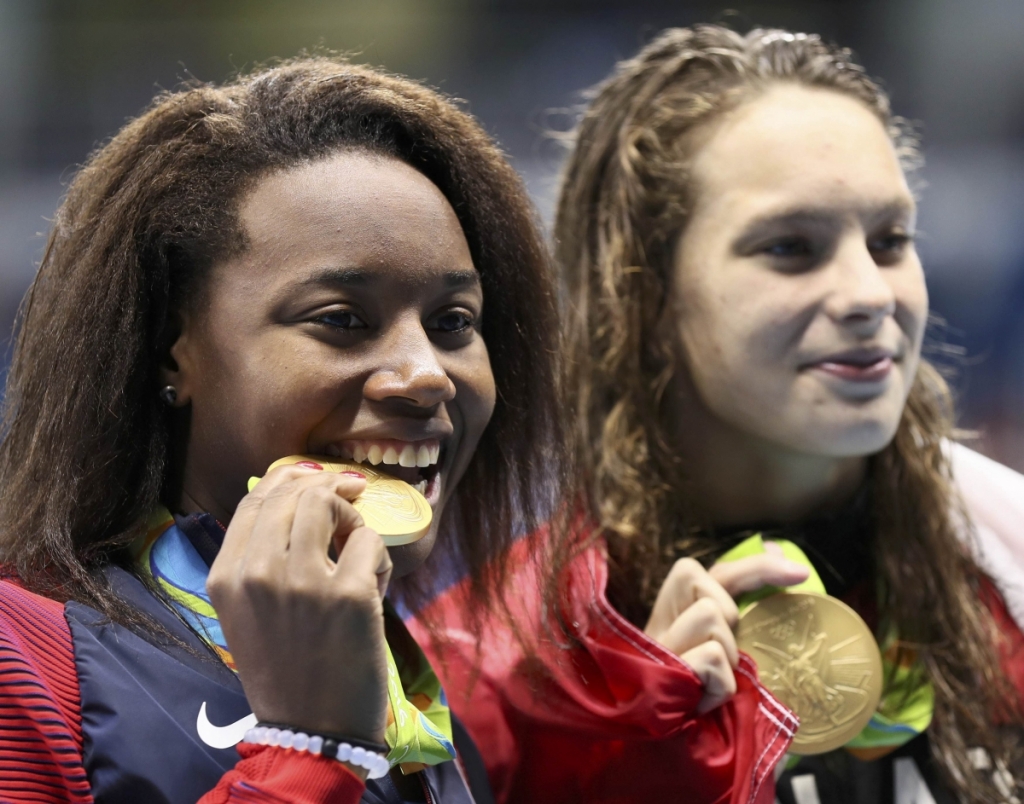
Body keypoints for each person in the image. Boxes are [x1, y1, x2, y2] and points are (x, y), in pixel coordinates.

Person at [414, 26, 1024, 804]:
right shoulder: (497, 654)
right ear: (647, 294)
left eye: (889, 240)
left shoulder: (1007, 567)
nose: (871, 294)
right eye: (791, 248)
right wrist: (629, 763)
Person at [0, 56, 563, 804]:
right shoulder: (22, 660)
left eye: (453, 321)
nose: (427, 374)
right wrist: (308, 746)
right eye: (340, 320)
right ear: (174, 347)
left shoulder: (424, 691)